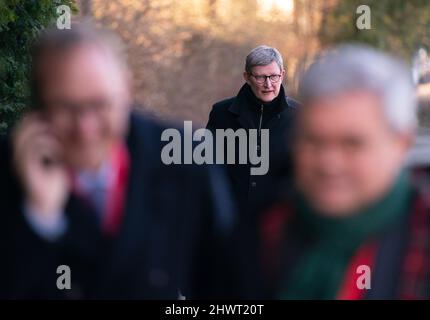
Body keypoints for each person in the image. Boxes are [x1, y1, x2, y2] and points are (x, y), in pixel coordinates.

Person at [0, 22, 233, 299]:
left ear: (126, 90)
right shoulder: (8, 171)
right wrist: (39, 220)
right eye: (65, 107)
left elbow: (227, 286)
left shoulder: (185, 158)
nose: (85, 128)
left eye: (99, 105)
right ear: (39, 106)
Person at [233, 45, 430, 299]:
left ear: (401, 144)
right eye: (313, 141)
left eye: (352, 144)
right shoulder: (261, 228)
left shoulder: (421, 234)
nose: (329, 164)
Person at [207, 46, 299, 216]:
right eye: (260, 77)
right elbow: (209, 169)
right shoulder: (221, 113)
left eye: (273, 76)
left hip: (279, 222)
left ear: (283, 75)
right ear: (247, 77)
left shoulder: (300, 117)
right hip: (231, 217)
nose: (268, 84)